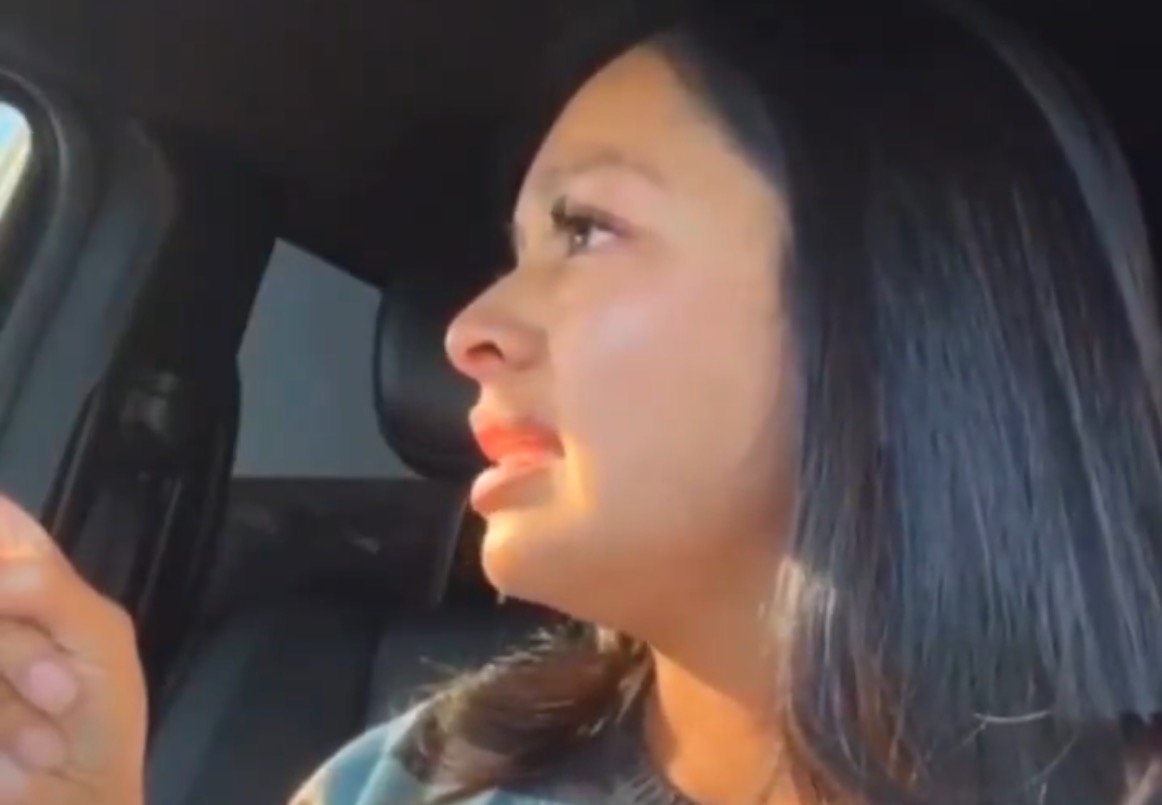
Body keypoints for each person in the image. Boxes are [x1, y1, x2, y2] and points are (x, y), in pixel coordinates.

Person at [2, 0, 1162, 802]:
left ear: (901, 302)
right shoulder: (418, 776)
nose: (469, 331)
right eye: (512, 248)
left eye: (587, 229)